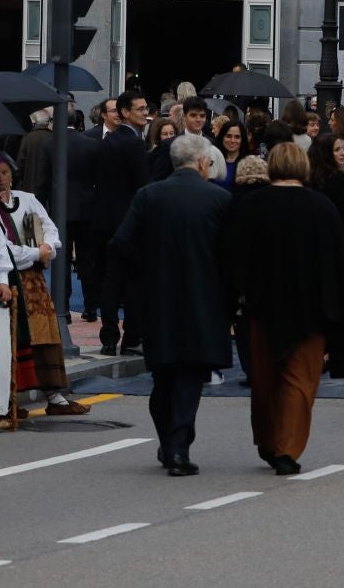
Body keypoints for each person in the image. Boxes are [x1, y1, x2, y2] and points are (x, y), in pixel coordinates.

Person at [224, 141, 344, 475]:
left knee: (264, 380)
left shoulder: (251, 205)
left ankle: (267, 439)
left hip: (262, 307)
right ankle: (287, 447)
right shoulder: (320, 206)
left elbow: (233, 257)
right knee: (300, 381)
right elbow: (339, 260)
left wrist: (233, 301)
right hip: (311, 309)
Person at [110, 132, 230, 476]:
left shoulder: (149, 195)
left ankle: (169, 441)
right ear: (203, 162)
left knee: (162, 374)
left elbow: (121, 243)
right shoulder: (218, 199)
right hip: (202, 297)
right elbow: (231, 252)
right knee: (190, 375)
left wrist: (142, 274)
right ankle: (178, 447)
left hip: (156, 296)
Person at [0, 156, 88, 415]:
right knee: (12, 337)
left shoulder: (27, 199)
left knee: (46, 335)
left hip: (34, 281)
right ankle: (8, 399)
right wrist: (35, 253)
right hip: (9, 279)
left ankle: (54, 395)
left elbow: (50, 230)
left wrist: (47, 248)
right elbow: (4, 250)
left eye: (5, 172)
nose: (1, 178)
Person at [92, 90, 150, 356]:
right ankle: (131, 338)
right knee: (135, 283)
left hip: (104, 221)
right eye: (140, 108)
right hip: (130, 223)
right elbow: (142, 187)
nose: (145, 113)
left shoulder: (105, 142)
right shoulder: (135, 144)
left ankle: (108, 337)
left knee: (110, 281)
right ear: (125, 112)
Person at [305, 133, 344, 229]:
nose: (343, 153)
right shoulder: (338, 178)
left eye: (341, 148)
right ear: (325, 153)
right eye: (337, 150)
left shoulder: (308, 176)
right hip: (335, 232)